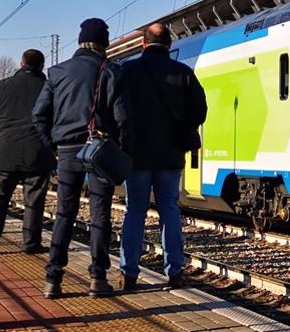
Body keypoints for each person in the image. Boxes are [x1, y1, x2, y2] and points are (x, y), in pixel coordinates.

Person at [108, 23, 206, 291]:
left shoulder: (126, 71)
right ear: (170, 45)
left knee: (135, 211)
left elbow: (115, 109)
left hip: (136, 156)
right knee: (170, 211)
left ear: (143, 44)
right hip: (170, 156)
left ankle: (128, 274)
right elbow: (200, 111)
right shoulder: (183, 72)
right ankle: (174, 272)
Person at [33, 18, 116, 298]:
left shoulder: (57, 72)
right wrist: (119, 145)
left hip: (67, 151)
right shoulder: (110, 71)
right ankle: (98, 278)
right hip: (99, 150)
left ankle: (52, 279)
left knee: (64, 214)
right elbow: (124, 117)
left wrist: (53, 147)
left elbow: (38, 115)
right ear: (103, 43)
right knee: (99, 214)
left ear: (80, 41)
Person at [0, 50, 54, 255]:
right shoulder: (48, 88)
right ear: (41, 66)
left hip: (4, 153)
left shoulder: (0, 87)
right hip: (37, 154)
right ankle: (31, 243)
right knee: (34, 201)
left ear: (21, 64)